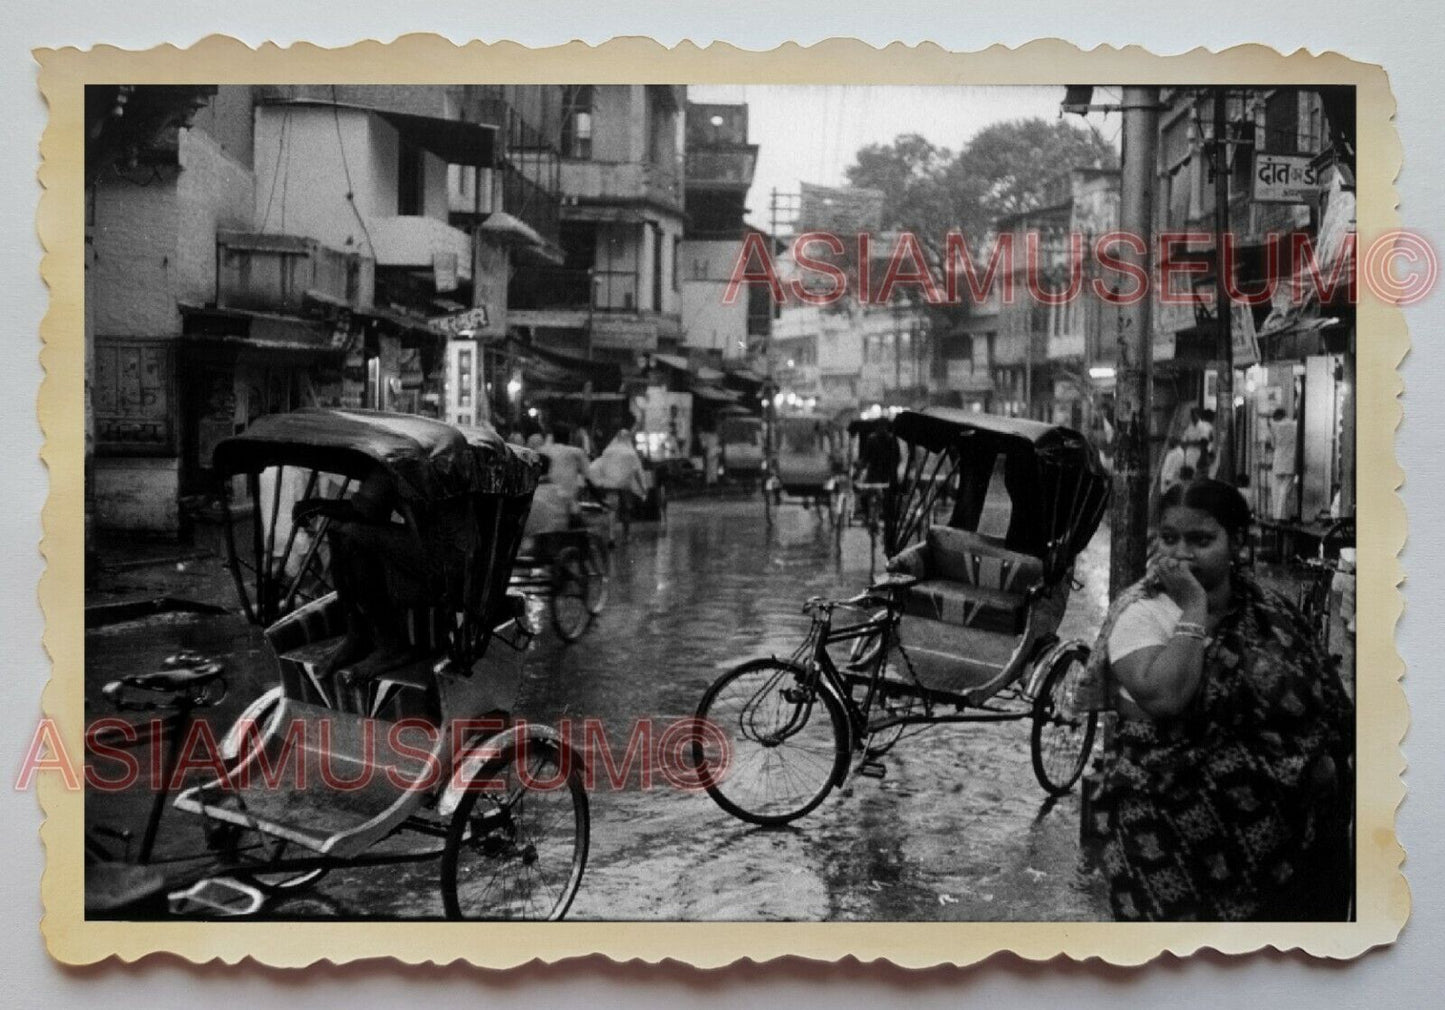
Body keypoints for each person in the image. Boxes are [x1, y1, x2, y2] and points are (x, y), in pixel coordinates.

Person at [1087, 478, 1353, 921]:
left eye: (1202, 540)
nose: (1183, 554)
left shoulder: (1272, 613)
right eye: (1170, 539)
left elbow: (1326, 706)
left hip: (1281, 854)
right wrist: (1193, 606)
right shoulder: (1139, 614)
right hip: (1169, 847)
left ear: (1238, 543)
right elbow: (1167, 698)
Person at [291, 465, 429, 678]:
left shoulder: (397, 451)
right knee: (340, 528)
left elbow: (366, 509)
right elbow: (371, 508)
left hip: (444, 556)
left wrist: (317, 505)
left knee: (353, 535)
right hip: (426, 543)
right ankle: (357, 634)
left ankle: (391, 645)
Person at [1268, 407, 1299, 520]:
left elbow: (1273, 444)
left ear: (1277, 417)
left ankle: (1277, 515)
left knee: (1277, 490)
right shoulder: (1294, 425)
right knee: (1286, 489)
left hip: (1278, 461)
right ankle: (1284, 516)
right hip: (1290, 461)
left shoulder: (1274, 426)